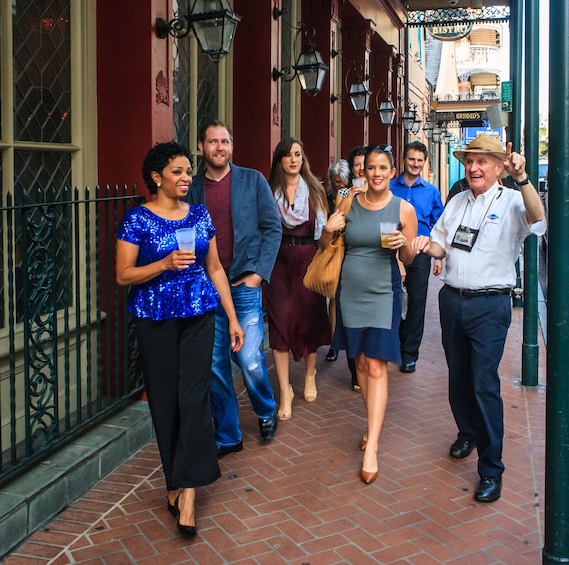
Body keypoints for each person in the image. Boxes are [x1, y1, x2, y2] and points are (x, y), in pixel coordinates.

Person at [116, 141, 245, 537]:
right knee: (166, 403)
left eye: (189, 171)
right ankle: (173, 481)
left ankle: (188, 492)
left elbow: (216, 268)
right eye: (177, 171)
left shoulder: (201, 216)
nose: (187, 177)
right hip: (154, 319)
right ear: (157, 177)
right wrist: (163, 263)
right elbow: (123, 275)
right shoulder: (137, 219)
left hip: (198, 315)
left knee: (193, 398)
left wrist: (233, 317)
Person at [411, 134, 545, 503]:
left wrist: (524, 178)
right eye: (470, 160)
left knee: (483, 382)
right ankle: (467, 431)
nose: (473, 167)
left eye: (483, 161)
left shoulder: (515, 200)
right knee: (458, 377)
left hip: (490, 305)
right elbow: (441, 242)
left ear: (499, 166)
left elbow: (538, 217)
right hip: (452, 300)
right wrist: (424, 246)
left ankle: (491, 468)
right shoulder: (456, 203)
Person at [321, 145, 418, 484]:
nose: (376, 173)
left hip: (383, 293)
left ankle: (372, 445)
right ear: (363, 172)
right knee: (360, 364)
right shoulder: (349, 203)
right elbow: (326, 247)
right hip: (350, 293)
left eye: (383, 168)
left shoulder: (404, 209)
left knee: (376, 364)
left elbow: (408, 259)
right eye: (371, 168)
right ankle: (371, 424)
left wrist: (401, 245)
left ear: (392, 172)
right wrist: (329, 229)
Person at [186, 120, 282, 458]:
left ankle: (267, 409)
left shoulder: (252, 180)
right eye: (212, 142)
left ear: (232, 146)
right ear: (201, 147)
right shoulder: (192, 188)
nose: (220, 147)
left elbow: (273, 229)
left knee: (249, 357)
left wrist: (258, 273)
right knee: (214, 364)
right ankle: (228, 433)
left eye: (225, 141)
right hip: (207, 286)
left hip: (243, 282)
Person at [264, 137, 331, 421]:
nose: (293, 159)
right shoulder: (269, 193)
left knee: (309, 320)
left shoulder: (315, 191)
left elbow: (325, 236)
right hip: (278, 262)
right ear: (279, 160)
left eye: (298, 154)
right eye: (288, 155)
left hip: (308, 260)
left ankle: (310, 375)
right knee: (279, 326)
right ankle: (284, 390)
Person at [390, 141, 444, 373]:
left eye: (420, 160)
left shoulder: (431, 191)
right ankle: (391, 346)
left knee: (416, 302)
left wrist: (439, 256)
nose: (415, 164)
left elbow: (439, 225)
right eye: (411, 159)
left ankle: (409, 354)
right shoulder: (391, 187)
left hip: (420, 252)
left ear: (425, 163)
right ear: (404, 160)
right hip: (390, 250)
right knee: (391, 300)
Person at [325, 159, 351, 363]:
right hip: (334, 251)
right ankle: (334, 342)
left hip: (350, 250)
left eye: (343, 181)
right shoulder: (326, 197)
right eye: (336, 182)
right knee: (334, 297)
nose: (340, 186)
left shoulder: (354, 196)